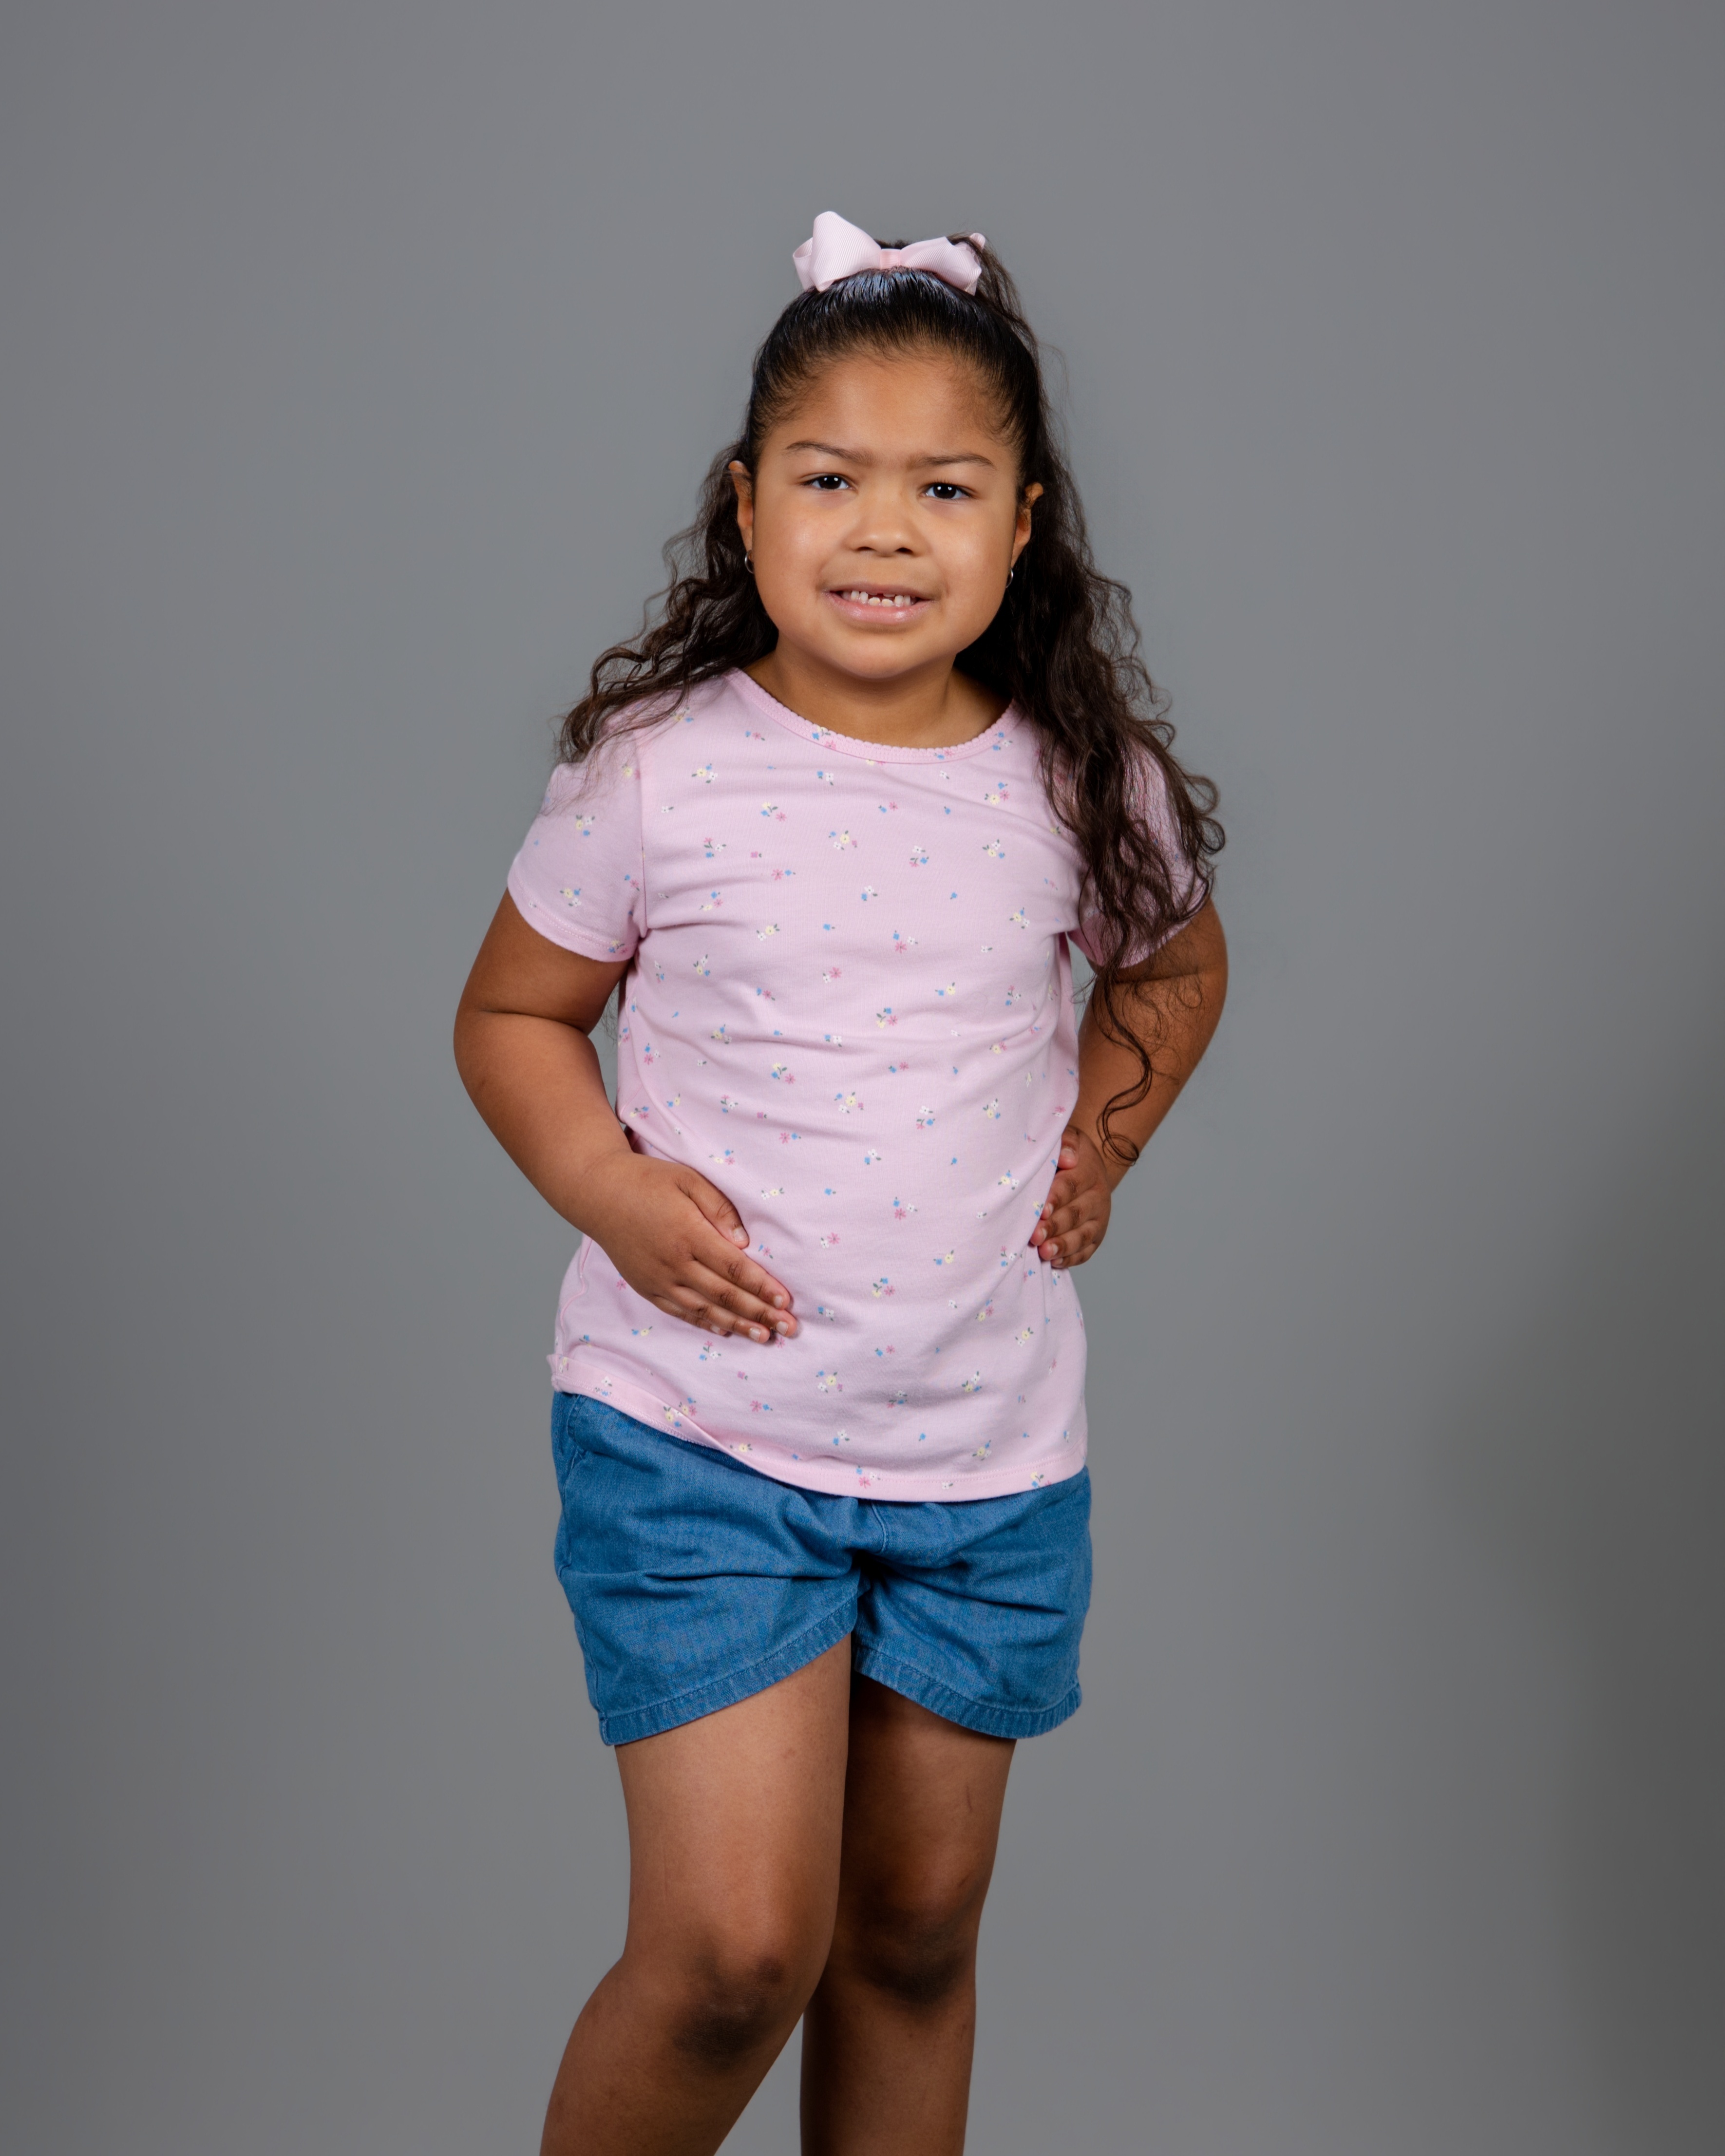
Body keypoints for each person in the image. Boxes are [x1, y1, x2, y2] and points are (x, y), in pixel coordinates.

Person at [454, 211, 1228, 2156]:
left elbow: (1172, 972)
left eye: (943, 489)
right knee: (734, 1952)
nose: (884, 531)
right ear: (744, 507)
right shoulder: (658, 770)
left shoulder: (1081, 780)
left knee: (908, 1939)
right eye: (829, 481)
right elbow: (514, 1014)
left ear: (1024, 527)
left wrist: (1102, 1139)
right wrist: (608, 1187)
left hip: (985, 1454)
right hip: (699, 1438)